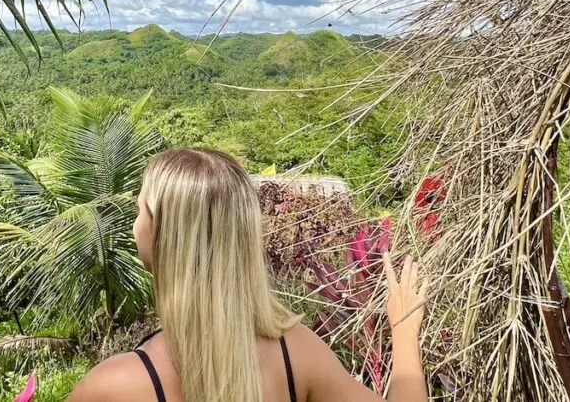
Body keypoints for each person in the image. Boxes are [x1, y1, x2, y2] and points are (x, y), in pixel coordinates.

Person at [68, 147, 429, 402]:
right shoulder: (295, 353)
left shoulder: (116, 386)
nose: (135, 225)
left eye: (140, 210)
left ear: (166, 234)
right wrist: (404, 329)